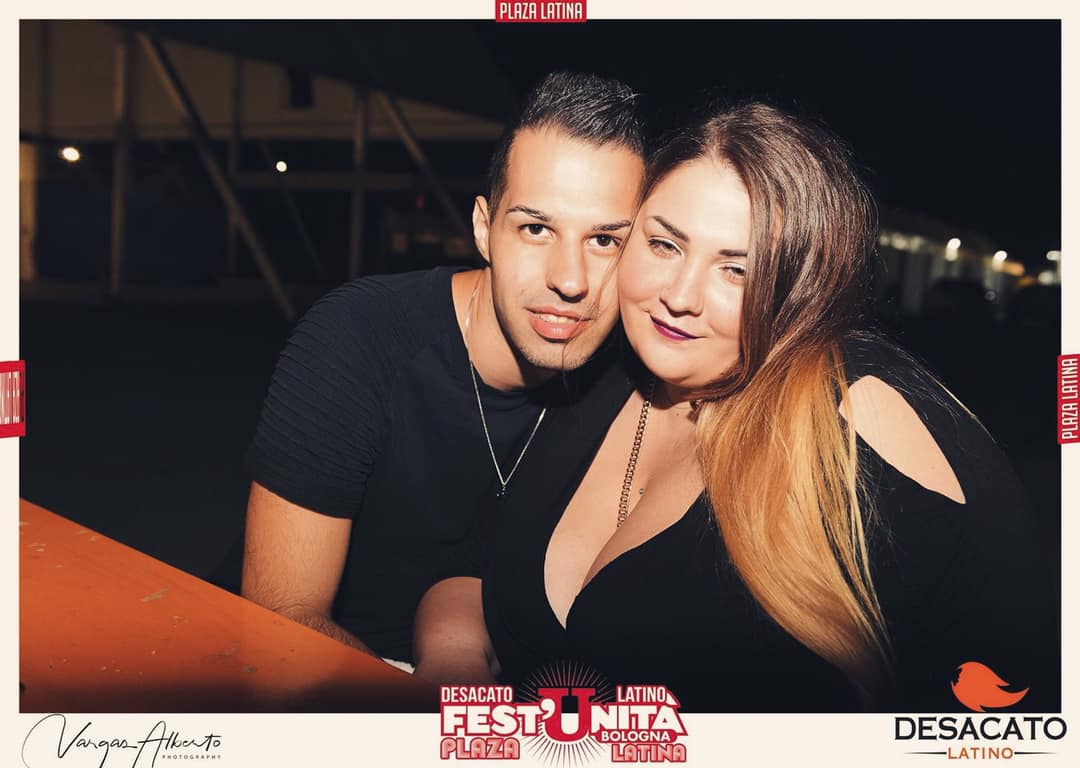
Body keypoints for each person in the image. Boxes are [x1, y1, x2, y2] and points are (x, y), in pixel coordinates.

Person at [414, 101, 1058, 711]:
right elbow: (477, 560)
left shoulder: (857, 411)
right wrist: (453, 661)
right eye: (664, 245)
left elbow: (1015, 679)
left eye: (737, 269)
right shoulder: (598, 373)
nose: (680, 295)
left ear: (801, 289)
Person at [241, 72, 646, 667]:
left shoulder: (633, 381)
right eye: (536, 229)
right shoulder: (359, 338)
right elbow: (281, 621)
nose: (570, 280)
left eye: (605, 240)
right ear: (484, 229)